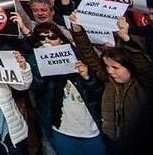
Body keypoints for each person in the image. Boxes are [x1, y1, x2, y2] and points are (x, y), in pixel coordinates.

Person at [70, 14, 153, 154]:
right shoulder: (109, 81)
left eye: (115, 67)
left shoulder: (143, 84)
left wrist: (126, 39)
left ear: (129, 66)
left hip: (139, 144)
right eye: (107, 67)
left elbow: (142, 64)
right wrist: (77, 30)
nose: (110, 71)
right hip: (114, 142)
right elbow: (89, 55)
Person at [26, 23, 104, 155]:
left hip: (90, 128)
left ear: (61, 39)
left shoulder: (78, 58)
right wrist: (41, 66)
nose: (47, 41)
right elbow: (36, 90)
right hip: (62, 130)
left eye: (52, 37)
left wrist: (87, 77)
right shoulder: (34, 61)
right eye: (42, 38)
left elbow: (98, 93)